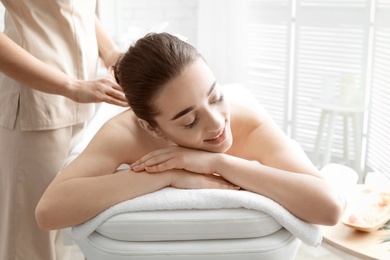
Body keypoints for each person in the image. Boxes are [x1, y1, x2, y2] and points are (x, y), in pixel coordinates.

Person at [36, 32, 343, 233]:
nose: (217, 124)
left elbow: (329, 208)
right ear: (151, 127)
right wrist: (166, 174)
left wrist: (217, 163)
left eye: (216, 98)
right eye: (188, 121)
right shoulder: (125, 134)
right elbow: (48, 212)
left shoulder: (245, 122)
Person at [0, 1, 128, 259]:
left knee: (60, 227)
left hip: (83, 102)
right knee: (29, 240)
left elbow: (79, 9)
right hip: (36, 106)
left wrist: (111, 54)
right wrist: (72, 86)